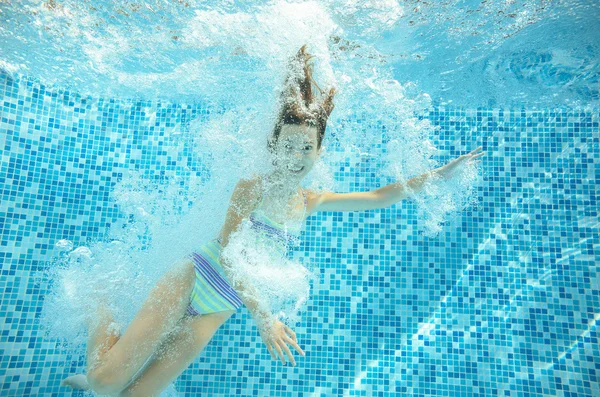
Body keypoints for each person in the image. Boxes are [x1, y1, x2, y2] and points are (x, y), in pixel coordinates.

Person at [61, 44, 484, 396]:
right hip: (196, 277)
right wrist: (265, 317)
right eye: (289, 147)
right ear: (274, 144)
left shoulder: (310, 200)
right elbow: (228, 252)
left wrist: (441, 174)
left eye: (307, 149)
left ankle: (106, 373)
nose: (297, 159)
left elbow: (378, 196)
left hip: (219, 308)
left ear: (319, 150)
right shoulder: (252, 186)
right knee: (104, 384)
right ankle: (99, 304)